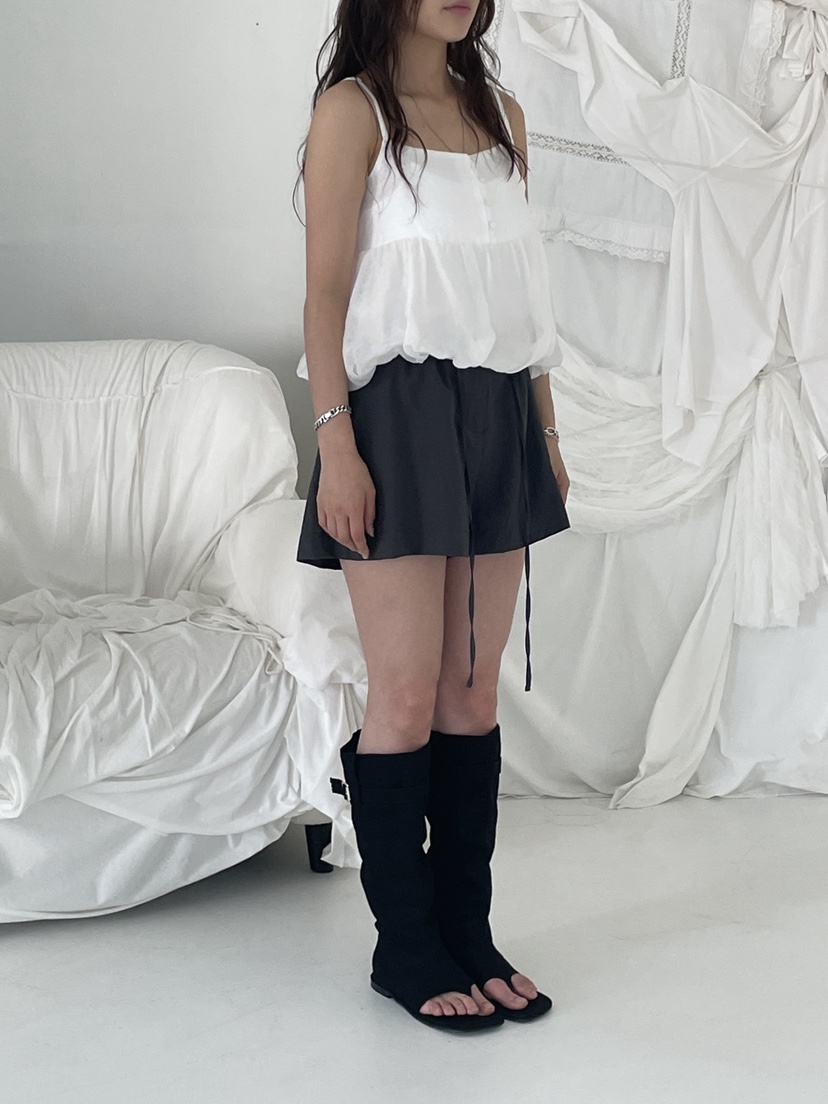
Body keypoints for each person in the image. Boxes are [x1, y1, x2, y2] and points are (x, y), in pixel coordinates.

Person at [293, 0, 571, 1033]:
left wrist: (547, 433)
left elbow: (524, 297)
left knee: (471, 692)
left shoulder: (501, 112)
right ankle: (403, 945)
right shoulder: (352, 111)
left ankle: (469, 932)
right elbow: (325, 298)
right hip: (396, 415)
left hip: (500, 413)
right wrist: (337, 448)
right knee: (406, 693)